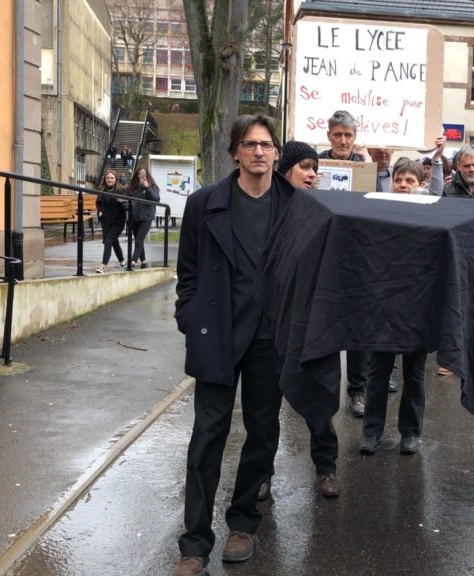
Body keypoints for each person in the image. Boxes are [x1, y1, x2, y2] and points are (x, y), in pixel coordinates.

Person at [173, 115, 294, 576]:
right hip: (218, 336)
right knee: (207, 438)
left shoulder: (294, 206)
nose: (259, 152)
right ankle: (194, 544)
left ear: (277, 152)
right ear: (235, 152)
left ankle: (243, 521)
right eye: (249, 144)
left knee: (262, 436)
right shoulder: (205, 204)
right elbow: (187, 270)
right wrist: (190, 315)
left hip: (270, 338)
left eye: (266, 144)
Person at [252, 140, 339, 501]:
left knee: (317, 394)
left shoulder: (322, 209)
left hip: (310, 321)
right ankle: (261, 474)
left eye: (315, 167)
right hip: (268, 321)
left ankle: (326, 468)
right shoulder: (268, 208)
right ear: (285, 169)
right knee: (265, 407)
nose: (312, 173)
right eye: (304, 166)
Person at [359, 158, 431, 456]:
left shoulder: (430, 217)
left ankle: (411, 433)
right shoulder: (379, 213)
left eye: (409, 181)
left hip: (418, 307)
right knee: (378, 372)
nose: (403, 185)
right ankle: (371, 432)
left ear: (419, 185)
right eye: (399, 179)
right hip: (384, 307)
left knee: (414, 375)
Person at [318, 109, 373, 417]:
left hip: (356, 255)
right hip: (325, 251)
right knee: (323, 321)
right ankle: (320, 388)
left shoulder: (365, 168)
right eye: (337, 134)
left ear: (355, 138)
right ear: (329, 136)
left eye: (348, 135)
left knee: (356, 328)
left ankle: (357, 391)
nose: (342, 140)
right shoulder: (316, 166)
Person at [94, 169, 127, 273]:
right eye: (108, 178)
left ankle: (103, 266)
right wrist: (99, 211)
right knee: (114, 242)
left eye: (112, 178)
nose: (110, 180)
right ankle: (122, 262)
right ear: (105, 179)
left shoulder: (121, 190)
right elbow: (98, 203)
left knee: (108, 241)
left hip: (118, 221)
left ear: (116, 179)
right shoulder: (102, 190)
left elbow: (127, 204)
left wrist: (122, 202)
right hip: (106, 221)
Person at [127, 167, 159, 269]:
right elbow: (127, 201)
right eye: (139, 174)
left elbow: (156, 199)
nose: (141, 176)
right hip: (134, 218)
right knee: (138, 240)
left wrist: (147, 187)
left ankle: (132, 262)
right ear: (137, 176)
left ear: (147, 175)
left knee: (139, 240)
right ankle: (143, 261)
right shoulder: (133, 188)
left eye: (144, 174)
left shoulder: (152, 186)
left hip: (146, 217)